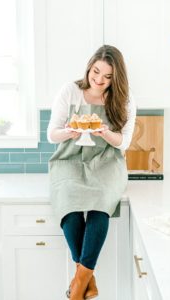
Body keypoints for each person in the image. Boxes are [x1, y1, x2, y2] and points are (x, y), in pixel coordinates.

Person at [47, 45, 136, 300]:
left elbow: (125, 142)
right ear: (89, 67)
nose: (99, 80)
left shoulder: (125, 99)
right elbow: (52, 134)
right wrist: (69, 132)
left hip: (106, 160)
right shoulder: (70, 91)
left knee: (101, 205)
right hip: (70, 159)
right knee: (69, 206)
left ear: (115, 78)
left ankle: (78, 286)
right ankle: (88, 280)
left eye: (107, 77)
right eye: (96, 72)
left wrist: (105, 132)